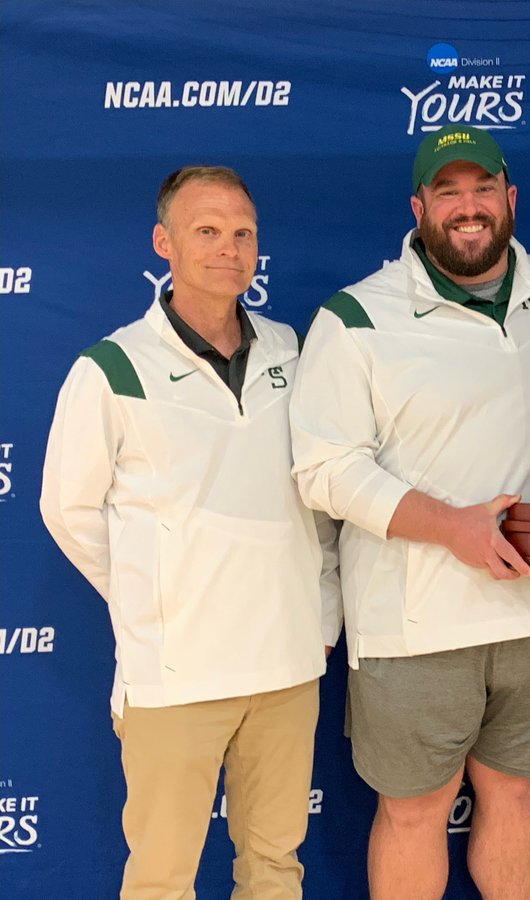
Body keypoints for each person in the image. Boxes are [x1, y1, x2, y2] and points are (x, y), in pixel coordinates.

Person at [289, 125, 530, 899]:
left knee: (519, 795)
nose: (467, 207)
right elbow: (325, 469)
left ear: (510, 199)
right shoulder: (356, 318)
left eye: (482, 190)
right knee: (414, 811)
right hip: (416, 621)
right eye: (448, 191)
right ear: (419, 206)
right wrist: (453, 526)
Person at [40, 165, 342, 899]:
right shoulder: (112, 368)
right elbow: (67, 510)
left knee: (274, 869)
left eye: (243, 234)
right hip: (177, 677)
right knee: (162, 880)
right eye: (207, 231)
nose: (229, 249)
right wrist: (155, 592)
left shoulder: (293, 351)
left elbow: (323, 501)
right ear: (163, 242)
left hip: (286, 665)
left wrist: (320, 614)